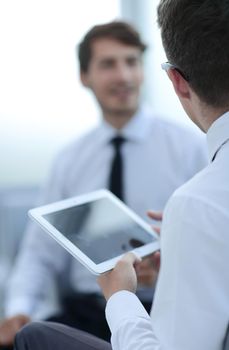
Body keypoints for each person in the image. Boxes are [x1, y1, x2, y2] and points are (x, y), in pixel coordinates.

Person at [1, 20, 208, 349]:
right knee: (30, 337)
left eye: (131, 62)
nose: (124, 76)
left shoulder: (191, 147)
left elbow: (211, 240)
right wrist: (18, 309)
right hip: (86, 310)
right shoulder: (69, 160)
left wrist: (170, 264)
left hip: (161, 309)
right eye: (108, 64)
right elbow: (39, 253)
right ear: (85, 76)